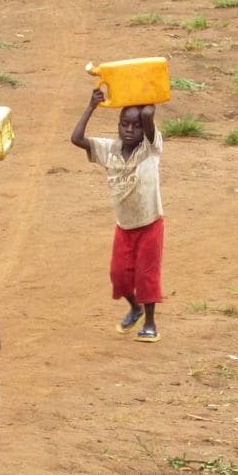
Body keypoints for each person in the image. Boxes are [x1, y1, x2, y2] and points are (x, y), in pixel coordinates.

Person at [71, 88, 165, 343]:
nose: (130, 130)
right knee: (119, 275)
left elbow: (148, 119)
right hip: (124, 226)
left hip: (150, 224)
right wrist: (92, 105)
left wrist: (148, 111)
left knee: (146, 274)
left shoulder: (151, 148)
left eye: (136, 125)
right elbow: (76, 138)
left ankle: (150, 323)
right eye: (125, 124)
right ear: (118, 125)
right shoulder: (109, 149)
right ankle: (134, 308)